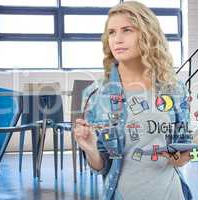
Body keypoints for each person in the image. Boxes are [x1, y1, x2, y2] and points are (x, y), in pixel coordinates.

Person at [74, 1, 192, 200]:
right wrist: (91, 149)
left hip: (172, 193)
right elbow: (101, 166)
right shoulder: (95, 95)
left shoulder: (174, 89)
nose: (117, 39)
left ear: (147, 34)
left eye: (127, 30)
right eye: (111, 32)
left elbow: (185, 150)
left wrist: (179, 157)